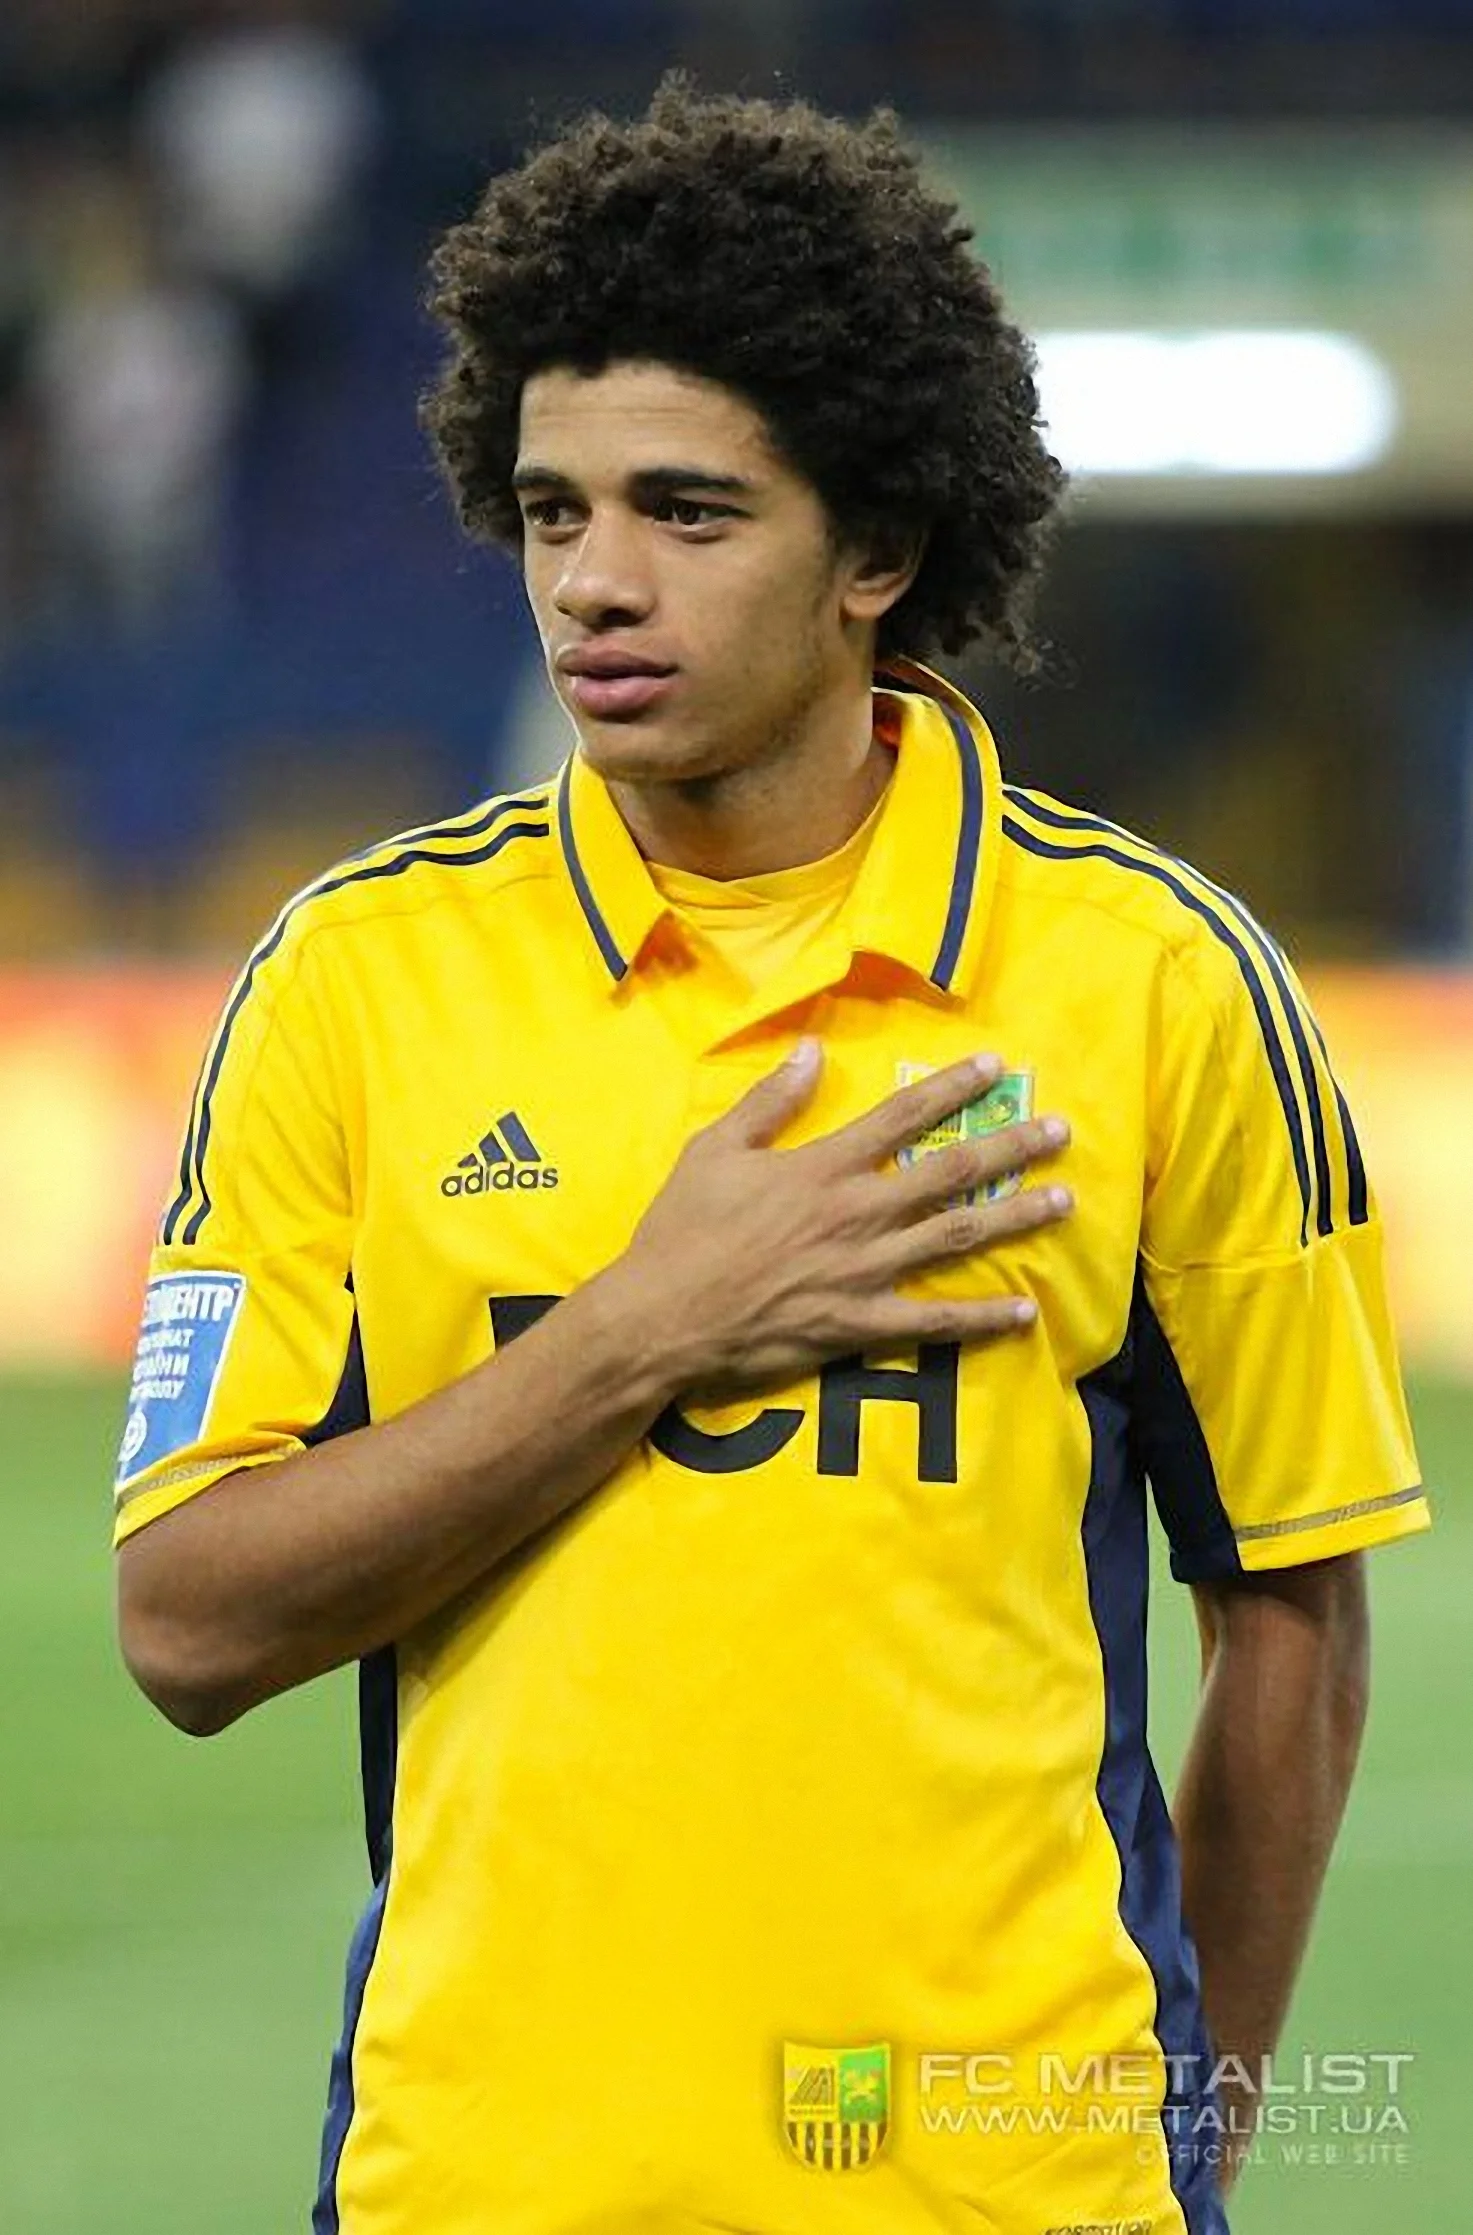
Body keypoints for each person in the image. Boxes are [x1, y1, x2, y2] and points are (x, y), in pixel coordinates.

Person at [113, 73, 1430, 2235]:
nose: (594, 584)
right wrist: (647, 1326)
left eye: (689, 512)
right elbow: (183, 1622)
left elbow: (1291, 1617)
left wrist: (1176, 2154)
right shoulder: (355, 980)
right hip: (481, 2190)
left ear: (876, 552)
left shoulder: (1160, 986)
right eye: (552, 511)